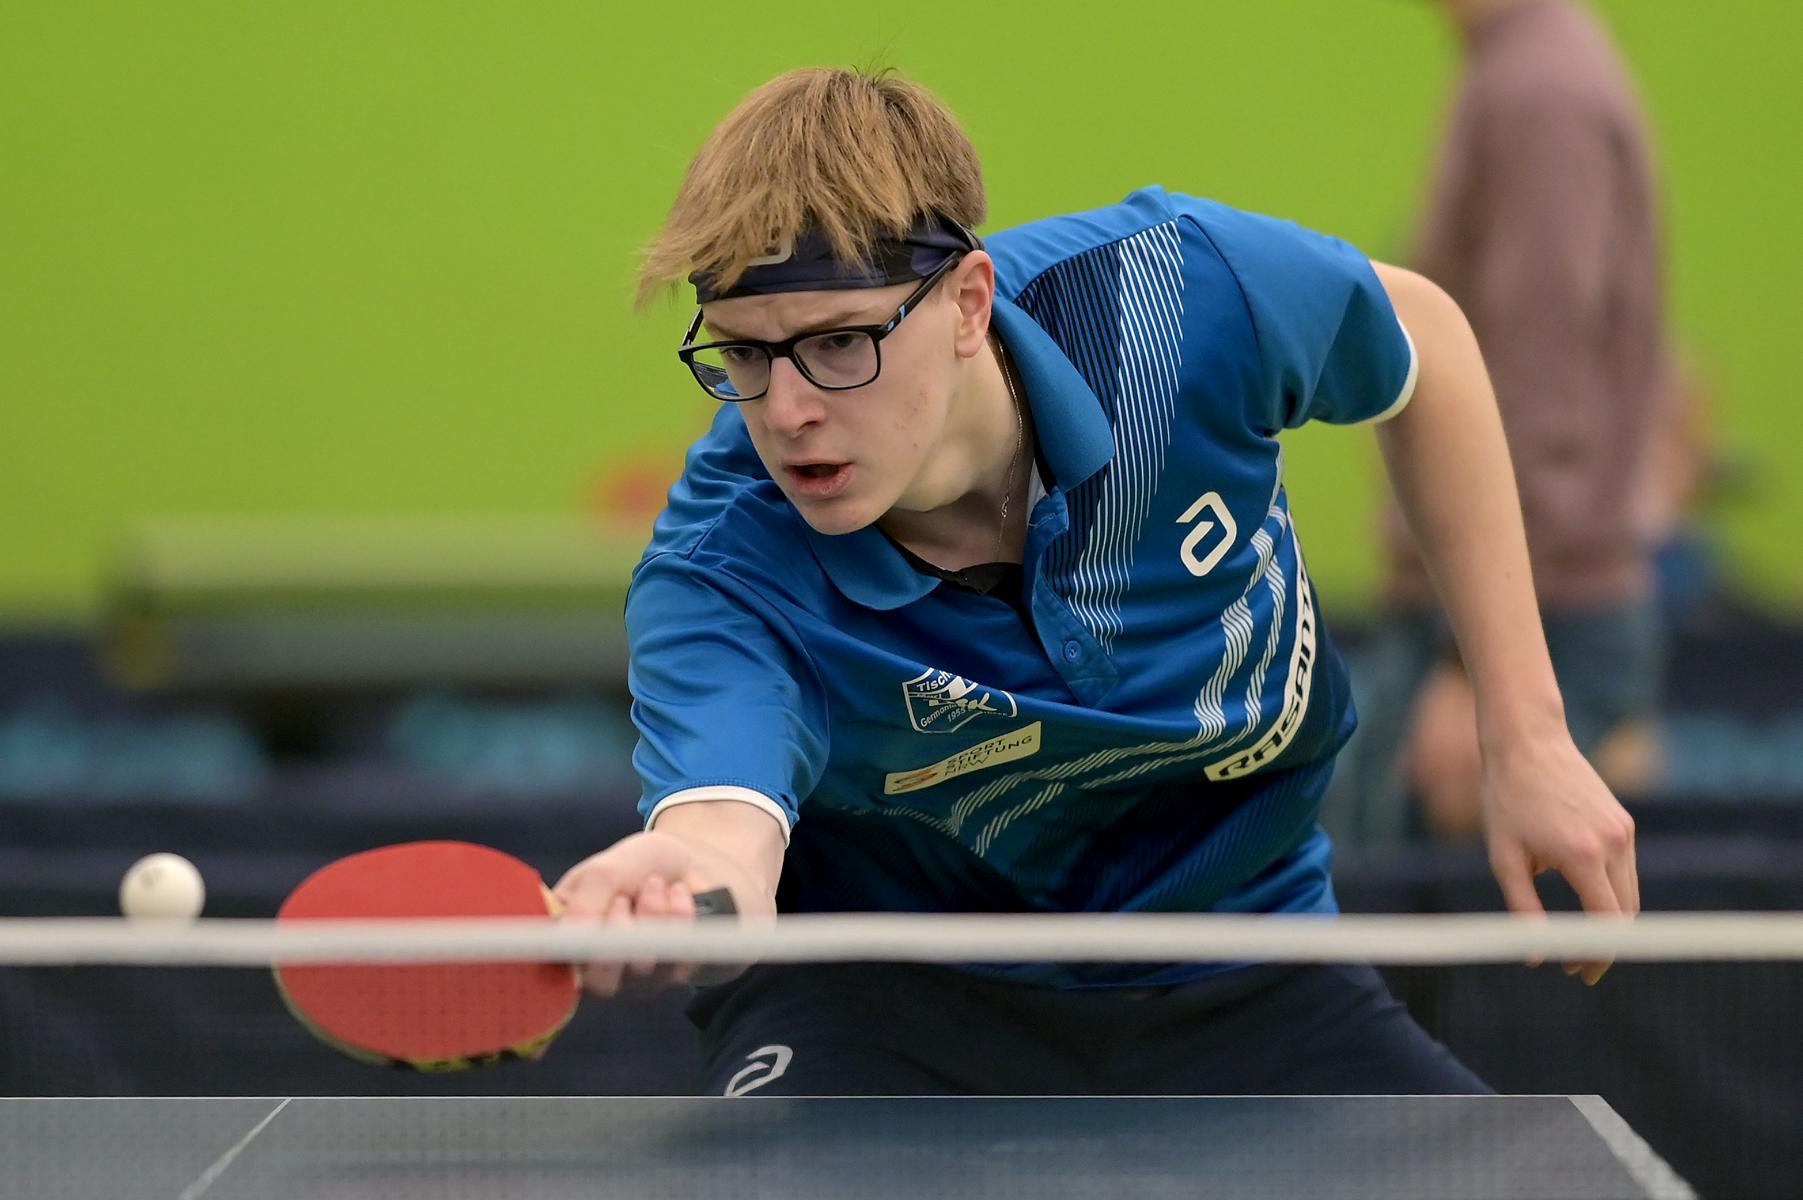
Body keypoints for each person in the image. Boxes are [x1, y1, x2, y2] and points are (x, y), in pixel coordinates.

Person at [553, 67, 1637, 1097]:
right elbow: (722, 831)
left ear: (968, 302)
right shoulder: (722, 573)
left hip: (1240, 956)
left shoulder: (1182, 299)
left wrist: (1527, 736)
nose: (786, 411)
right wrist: (676, 885)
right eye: (743, 355)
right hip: (883, 1001)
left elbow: (1424, 345)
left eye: (839, 344)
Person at [1330, 0, 1671, 846]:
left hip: (1516, 622)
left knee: (1431, 919)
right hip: (1507, 616)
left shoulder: (1539, 92)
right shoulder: (1527, 71)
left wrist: (1477, 666)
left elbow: (1540, 383)